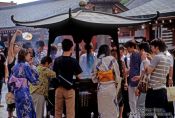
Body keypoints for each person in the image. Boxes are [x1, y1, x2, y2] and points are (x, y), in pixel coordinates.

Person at [53, 39, 82, 118]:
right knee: (70, 112)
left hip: (58, 89)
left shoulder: (57, 60)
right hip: (69, 89)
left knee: (58, 111)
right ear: (71, 48)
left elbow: (54, 74)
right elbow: (79, 76)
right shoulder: (73, 61)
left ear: (62, 48)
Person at [92, 44, 121, 118]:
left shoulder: (97, 61)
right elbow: (117, 75)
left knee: (102, 110)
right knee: (112, 110)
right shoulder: (112, 59)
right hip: (111, 87)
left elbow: (94, 78)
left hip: (101, 88)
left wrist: (100, 78)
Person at [145, 39, 172, 117]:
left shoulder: (157, 57)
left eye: (152, 46)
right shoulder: (168, 58)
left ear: (157, 47)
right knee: (161, 115)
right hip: (162, 90)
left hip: (153, 90)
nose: (151, 48)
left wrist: (144, 61)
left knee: (149, 114)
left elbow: (148, 71)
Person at [8, 49, 39, 118]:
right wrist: (31, 66)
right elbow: (34, 81)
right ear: (24, 56)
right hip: (24, 93)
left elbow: (10, 83)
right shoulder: (26, 66)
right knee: (27, 112)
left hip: (17, 93)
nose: (30, 56)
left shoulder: (14, 67)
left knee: (20, 112)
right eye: (28, 55)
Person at [7, 30, 22, 118]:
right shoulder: (11, 56)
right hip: (11, 81)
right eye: (16, 46)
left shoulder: (18, 57)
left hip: (18, 81)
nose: (18, 47)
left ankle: (13, 114)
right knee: (11, 98)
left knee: (17, 98)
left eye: (18, 46)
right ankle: (10, 115)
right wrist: (16, 33)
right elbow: (11, 43)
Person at [124, 41, 141, 118]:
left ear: (132, 47)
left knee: (133, 100)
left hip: (134, 80)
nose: (127, 50)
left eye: (127, 48)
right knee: (133, 100)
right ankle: (134, 114)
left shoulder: (135, 55)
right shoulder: (134, 54)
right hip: (134, 79)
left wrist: (129, 72)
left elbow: (136, 68)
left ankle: (135, 115)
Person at [0, 41, 8, 107]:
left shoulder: (2, 56)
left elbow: (5, 67)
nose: (0, 50)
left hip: (1, 77)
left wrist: (5, 77)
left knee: (0, 90)